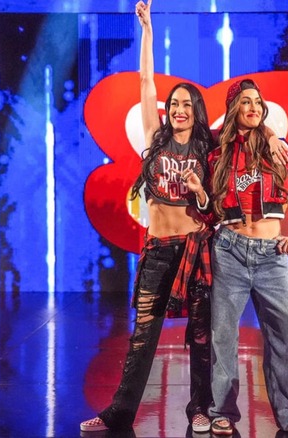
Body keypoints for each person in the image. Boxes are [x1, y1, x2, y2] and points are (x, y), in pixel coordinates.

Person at [80, 0, 215, 432]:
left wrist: (201, 193)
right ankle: (119, 412)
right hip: (158, 251)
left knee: (200, 336)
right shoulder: (153, 143)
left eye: (186, 105)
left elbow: (214, 205)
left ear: (196, 111)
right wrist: (148, 30)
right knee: (142, 337)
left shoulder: (207, 150)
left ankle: (199, 407)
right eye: (173, 103)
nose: (178, 109)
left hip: (195, 252)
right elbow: (145, 81)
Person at [183, 79, 288, 437]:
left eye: (258, 102)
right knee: (223, 337)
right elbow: (210, 214)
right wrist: (200, 194)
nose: (254, 107)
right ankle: (222, 413)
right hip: (229, 250)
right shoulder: (217, 154)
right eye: (245, 102)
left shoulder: (278, 149)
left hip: (271, 256)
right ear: (234, 109)